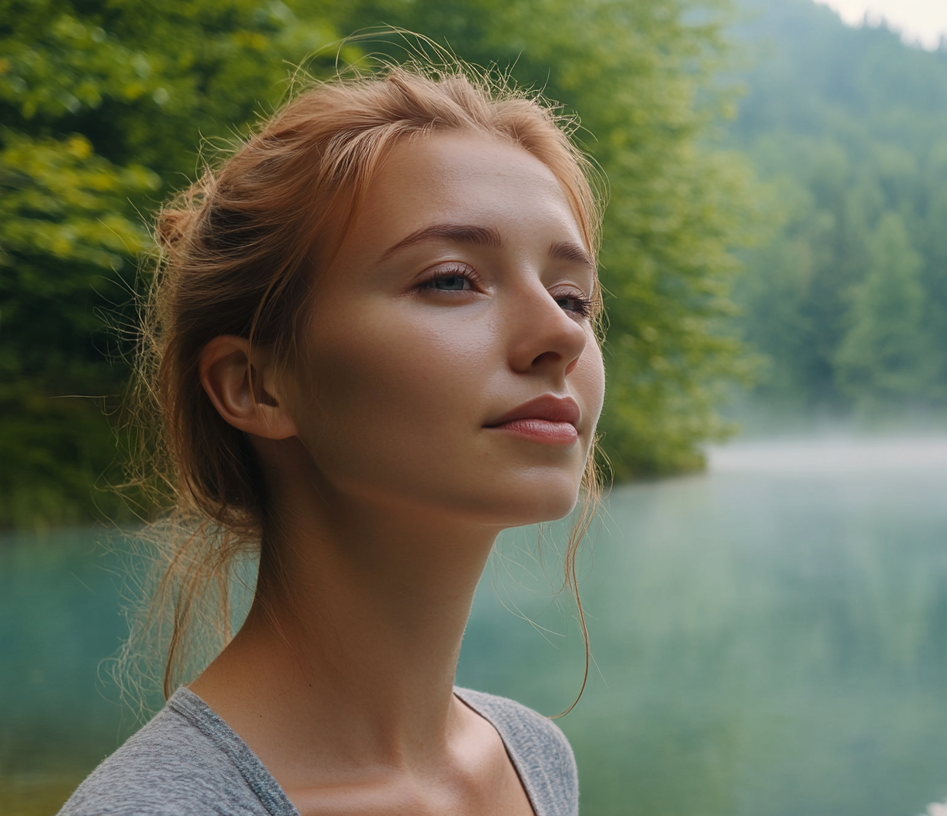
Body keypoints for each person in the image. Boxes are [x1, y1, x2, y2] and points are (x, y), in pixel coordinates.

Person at [59, 63, 604, 816]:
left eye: (573, 296)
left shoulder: (532, 758)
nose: (560, 334)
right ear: (256, 384)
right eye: (451, 280)